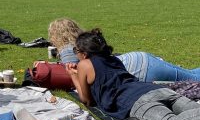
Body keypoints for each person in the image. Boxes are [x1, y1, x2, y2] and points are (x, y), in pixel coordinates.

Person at [65, 29, 200, 120]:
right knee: (195, 111)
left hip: (135, 101)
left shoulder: (84, 64)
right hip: (157, 90)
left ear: (84, 52)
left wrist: (73, 76)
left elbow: (86, 100)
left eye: (76, 50)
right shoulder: (114, 60)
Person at [48, 18, 200, 82]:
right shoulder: (84, 40)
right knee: (191, 74)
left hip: (140, 70)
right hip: (138, 58)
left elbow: (72, 76)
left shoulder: (69, 51)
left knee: (193, 79)